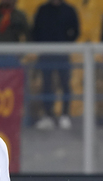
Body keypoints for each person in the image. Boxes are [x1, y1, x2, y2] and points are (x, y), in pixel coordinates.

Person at [31, 0, 79, 131]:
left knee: (65, 84)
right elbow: (35, 30)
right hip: (45, 54)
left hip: (63, 54)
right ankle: (48, 115)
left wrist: (66, 43)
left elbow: (75, 30)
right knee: (47, 84)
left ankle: (65, 115)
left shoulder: (69, 10)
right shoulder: (42, 10)